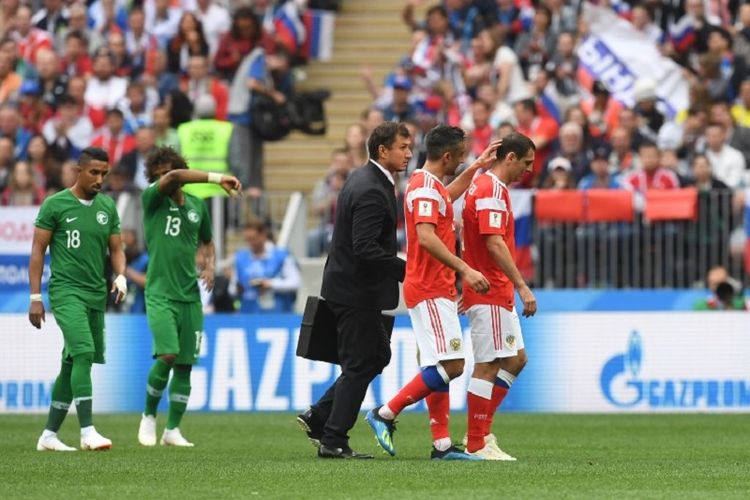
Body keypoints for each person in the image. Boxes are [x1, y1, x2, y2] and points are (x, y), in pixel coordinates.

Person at [365, 125, 496, 461]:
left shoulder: (431, 185)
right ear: (447, 155)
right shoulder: (424, 187)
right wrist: (465, 269)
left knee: (438, 362)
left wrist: (478, 165)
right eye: (463, 157)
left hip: (433, 286)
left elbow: (446, 196)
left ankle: (441, 446)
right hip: (429, 286)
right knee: (452, 365)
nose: (463, 161)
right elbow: (425, 237)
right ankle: (386, 412)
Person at [296, 122, 411, 459]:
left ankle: (319, 416)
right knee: (360, 364)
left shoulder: (364, 180)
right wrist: (408, 270)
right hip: (357, 292)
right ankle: (333, 439)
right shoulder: (372, 189)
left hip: (351, 288)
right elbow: (365, 248)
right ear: (382, 151)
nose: (408, 153)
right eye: (402, 147)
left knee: (377, 355)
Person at [136, 146, 241, 448]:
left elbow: (207, 242)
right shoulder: (152, 201)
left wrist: (209, 266)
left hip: (190, 298)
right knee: (167, 354)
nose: (165, 180)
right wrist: (218, 178)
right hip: (159, 294)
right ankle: (148, 416)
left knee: (184, 364)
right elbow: (176, 176)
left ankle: (173, 430)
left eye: (168, 173)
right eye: (159, 176)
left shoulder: (196, 206)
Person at [29, 147, 127, 451]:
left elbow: (117, 248)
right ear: (78, 171)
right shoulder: (55, 204)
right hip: (65, 291)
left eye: (104, 174)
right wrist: (35, 296)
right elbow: (37, 252)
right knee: (83, 352)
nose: (99, 179)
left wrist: (120, 275)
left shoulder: (107, 207)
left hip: (95, 293)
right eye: (94, 172)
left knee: (72, 362)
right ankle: (88, 432)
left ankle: (48, 436)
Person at [460, 132, 537, 460]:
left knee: (516, 359)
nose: (529, 170)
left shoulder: (486, 186)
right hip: (490, 287)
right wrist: (521, 284)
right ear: (510, 158)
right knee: (488, 365)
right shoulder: (490, 189)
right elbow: (492, 242)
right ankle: (476, 443)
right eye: (527, 162)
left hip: (492, 288)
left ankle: (479, 432)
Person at [233, 218, 300, 313]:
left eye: (253, 239)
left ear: (263, 235)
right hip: (249, 315)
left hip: (279, 315)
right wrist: (237, 288)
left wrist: (270, 284)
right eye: (247, 239)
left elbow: (295, 282)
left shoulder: (281, 256)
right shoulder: (240, 258)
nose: (250, 243)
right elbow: (232, 288)